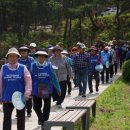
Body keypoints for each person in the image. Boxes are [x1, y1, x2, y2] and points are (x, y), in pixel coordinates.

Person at [0, 47, 32, 130]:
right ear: (8, 57)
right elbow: (0, 83)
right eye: (10, 56)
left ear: (18, 57)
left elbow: (28, 82)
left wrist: (27, 93)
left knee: (21, 119)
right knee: (6, 119)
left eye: (15, 56)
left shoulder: (23, 68)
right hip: (7, 98)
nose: (12, 58)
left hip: (20, 98)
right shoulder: (3, 68)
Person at [31, 49, 61, 130]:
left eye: (43, 56)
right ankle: (41, 118)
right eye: (39, 56)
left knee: (46, 106)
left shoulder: (49, 65)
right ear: (37, 57)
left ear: (45, 57)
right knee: (36, 107)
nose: (41, 57)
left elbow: (54, 77)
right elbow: (29, 78)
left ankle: (44, 122)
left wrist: (58, 88)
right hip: (36, 88)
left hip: (45, 87)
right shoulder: (33, 65)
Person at [18, 45, 34, 117]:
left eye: (25, 50)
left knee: (28, 97)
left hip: (29, 81)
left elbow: (33, 69)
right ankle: (19, 111)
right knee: (18, 96)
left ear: (28, 52)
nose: (23, 52)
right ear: (20, 52)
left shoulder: (31, 59)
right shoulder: (17, 59)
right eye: (22, 50)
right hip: (19, 81)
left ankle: (29, 111)